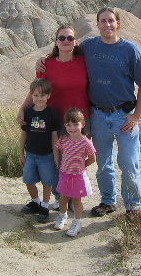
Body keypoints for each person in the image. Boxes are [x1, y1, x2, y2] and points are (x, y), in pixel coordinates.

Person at [37, 8, 141, 218]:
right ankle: (108, 200)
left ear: (118, 24)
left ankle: (133, 206)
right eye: (103, 21)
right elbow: (66, 52)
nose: (107, 25)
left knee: (128, 163)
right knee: (103, 163)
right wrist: (43, 59)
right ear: (97, 24)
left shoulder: (130, 50)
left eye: (111, 21)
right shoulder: (89, 46)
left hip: (124, 116)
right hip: (97, 115)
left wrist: (136, 116)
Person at [17, 25, 90, 210]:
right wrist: (23, 109)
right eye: (62, 38)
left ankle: (74, 198)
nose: (66, 41)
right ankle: (60, 198)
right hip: (55, 120)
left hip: (80, 121)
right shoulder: (46, 65)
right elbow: (36, 90)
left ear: (75, 42)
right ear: (56, 42)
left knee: (76, 161)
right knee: (58, 161)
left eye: (70, 38)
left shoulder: (84, 61)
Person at [19, 78, 60, 223]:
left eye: (42, 95)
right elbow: (24, 133)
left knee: (47, 182)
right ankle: (35, 202)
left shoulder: (52, 114)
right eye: (35, 95)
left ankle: (44, 206)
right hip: (30, 154)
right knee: (28, 180)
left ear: (48, 96)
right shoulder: (28, 113)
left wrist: (56, 155)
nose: (39, 98)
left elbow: (54, 137)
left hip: (46, 155)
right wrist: (21, 154)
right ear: (31, 96)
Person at [53, 108, 96, 237]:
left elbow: (93, 158)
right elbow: (61, 151)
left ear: (82, 124)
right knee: (62, 199)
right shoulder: (63, 139)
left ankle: (77, 222)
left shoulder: (86, 142)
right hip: (64, 174)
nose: (72, 128)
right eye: (68, 125)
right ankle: (62, 216)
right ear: (65, 125)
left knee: (77, 201)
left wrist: (82, 166)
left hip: (78, 176)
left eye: (75, 124)